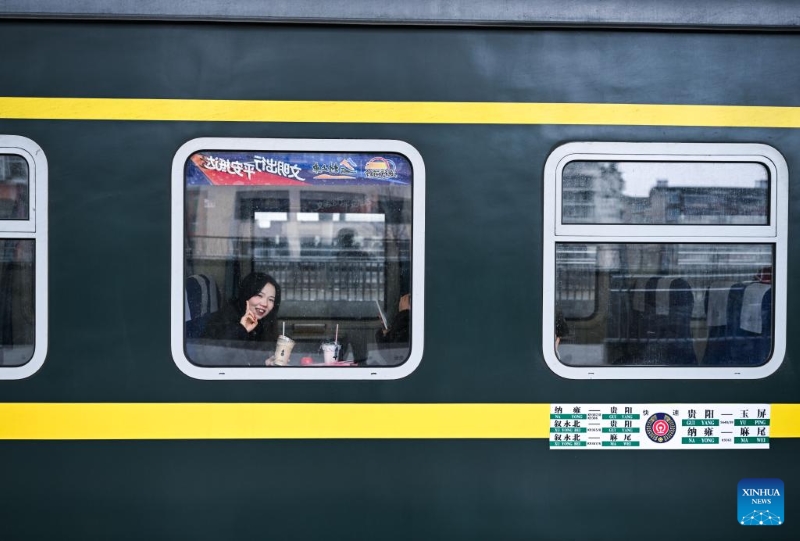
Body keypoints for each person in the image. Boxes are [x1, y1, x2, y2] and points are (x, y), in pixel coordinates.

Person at [202, 272, 281, 365]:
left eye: (271, 299)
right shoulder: (224, 318)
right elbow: (212, 358)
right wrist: (241, 329)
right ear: (247, 294)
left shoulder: (263, 323)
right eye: (259, 295)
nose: (265, 303)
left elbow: (249, 363)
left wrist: (265, 363)